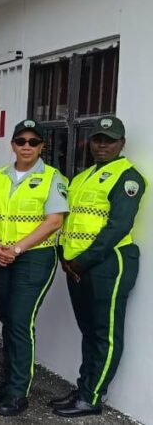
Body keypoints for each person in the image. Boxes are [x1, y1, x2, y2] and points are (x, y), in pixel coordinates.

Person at [50, 116, 146, 418]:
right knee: (89, 331)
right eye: (98, 139)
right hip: (77, 265)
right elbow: (70, 222)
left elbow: (117, 227)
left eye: (110, 140)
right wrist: (65, 257)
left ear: (122, 143)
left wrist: (81, 261)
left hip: (109, 263)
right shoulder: (82, 178)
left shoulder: (128, 177)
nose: (102, 145)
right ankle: (84, 387)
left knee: (105, 333)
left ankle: (92, 397)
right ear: (89, 142)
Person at [0, 120, 68, 416]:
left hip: (33, 258)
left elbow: (54, 221)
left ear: (42, 145)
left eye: (34, 141)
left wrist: (17, 248)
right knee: (7, 319)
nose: (27, 146)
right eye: (21, 141)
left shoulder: (52, 177)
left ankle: (19, 392)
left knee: (20, 321)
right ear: (13, 144)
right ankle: (8, 383)